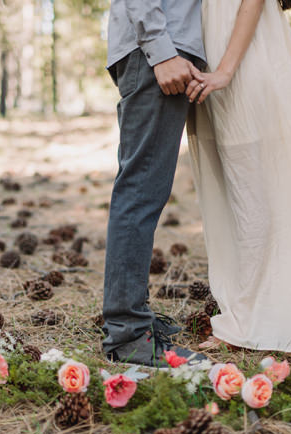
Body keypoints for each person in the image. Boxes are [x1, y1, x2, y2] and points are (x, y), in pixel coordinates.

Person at [185, 0, 291, 352]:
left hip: (240, 53)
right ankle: (249, 309)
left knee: (253, 184)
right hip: (212, 49)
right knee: (233, 188)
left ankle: (259, 319)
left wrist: (226, 69)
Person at [102, 1, 208, 367]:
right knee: (141, 189)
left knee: (146, 188)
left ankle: (131, 320)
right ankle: (128, 334)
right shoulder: (160, 51)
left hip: (164, 48)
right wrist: (160, 50)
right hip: (158, 52)